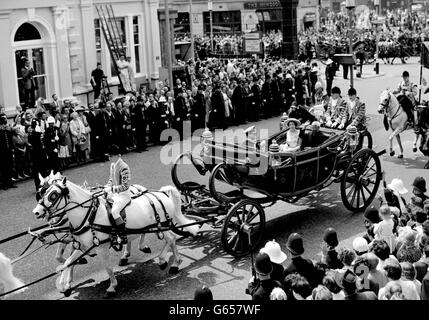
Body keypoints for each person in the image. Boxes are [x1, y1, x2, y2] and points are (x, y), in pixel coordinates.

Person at [103, 151, 131, 245]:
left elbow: (125, 186)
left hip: (123, 195)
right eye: (109, 155)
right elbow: (111, 179)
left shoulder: (124, 167)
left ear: (118, 155)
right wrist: (106, 187)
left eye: (111, 155)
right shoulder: (112, 165)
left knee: (115, 212)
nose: (110, 157)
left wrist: (111, 189)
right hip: (115, 194)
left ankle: (123, 235)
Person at [0, 114, 17, 190]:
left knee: (10, 166)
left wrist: (12, 148)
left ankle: (10, 182)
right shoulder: (0, 131)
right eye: (4, 119)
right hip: (2, 152)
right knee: (4, 168)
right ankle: (4, 184)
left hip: (9, 150)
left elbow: (11, 140)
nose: (4, 125)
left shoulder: (8, 130)